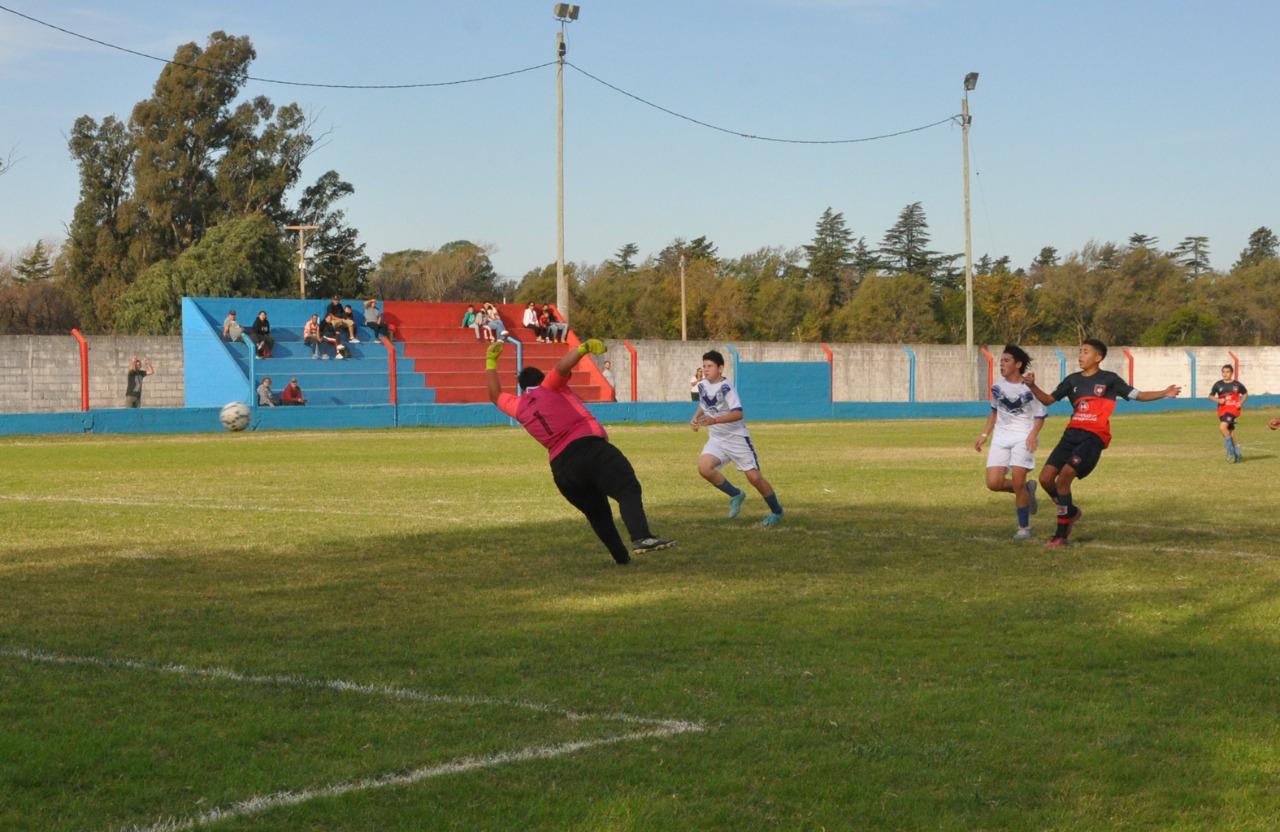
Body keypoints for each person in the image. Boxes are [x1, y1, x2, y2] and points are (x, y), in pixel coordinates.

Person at [485, 338, 674, 564]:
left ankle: (621, 558)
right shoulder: (550, 385)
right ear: (541, 378)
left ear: (522, 388)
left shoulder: (519, 406)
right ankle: (641, 536)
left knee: (598, 513)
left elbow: (495, 395)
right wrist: (582, 349)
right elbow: (562, 367)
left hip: (561, 469)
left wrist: (490, 363)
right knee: (626, 487)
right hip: (588, 448)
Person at [1025, 338, 1180, 549]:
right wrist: (1032, 386)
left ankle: (1061, 536)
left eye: (1086, 352)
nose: (1081, 355)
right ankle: (1069, 511)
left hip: (1093, 437)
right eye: (1080, 351)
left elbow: (1138, 395)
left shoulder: (1109, 379)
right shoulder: (1071, 380)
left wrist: (1164, 392)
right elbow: (1048, 400)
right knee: (1045, 479)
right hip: (1071, 435)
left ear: (1098, 357)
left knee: (1064, 479)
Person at [691, 350, 785, 527]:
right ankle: (736, 494)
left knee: (755, 478)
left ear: (720, 368)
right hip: (717, 439)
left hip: (736, 439)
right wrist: (695, 418)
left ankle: (777, 511)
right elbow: (703, 405)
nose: (706, 370)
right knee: (704, 468)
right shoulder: (703, 385)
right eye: (704, 366)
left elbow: (738, 413)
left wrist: (714, 420)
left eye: (710, 366)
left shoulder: (727, 388)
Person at [974, 345, 1046, 540]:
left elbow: (1040, 415)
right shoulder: (997, 387)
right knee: (994, 483)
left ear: (1018, 364)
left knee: (1017, 480)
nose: (1001, 364)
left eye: (1006, 361)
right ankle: (1025, 490)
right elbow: (994, 412)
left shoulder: (1029, 388)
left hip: (1023, 437)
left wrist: (1032, 435)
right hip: (1000, 438)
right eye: (1001, 361)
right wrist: (984, 435)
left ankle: (1024, 528)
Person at [1208, 364, 1248, 463]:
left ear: (1231, 373)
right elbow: (1210, 396)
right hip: (1222, 410)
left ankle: (1230, 450)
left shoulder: (1237, 385)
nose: (1225, 374)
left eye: (1227, 372)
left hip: (1233, 410)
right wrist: (1218, 400)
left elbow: (1245, 393)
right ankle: (1237, 453)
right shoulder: (1218, 384)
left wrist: (1240, 402)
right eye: (1223, 372)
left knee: (1222, 427)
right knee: (1229, 431)